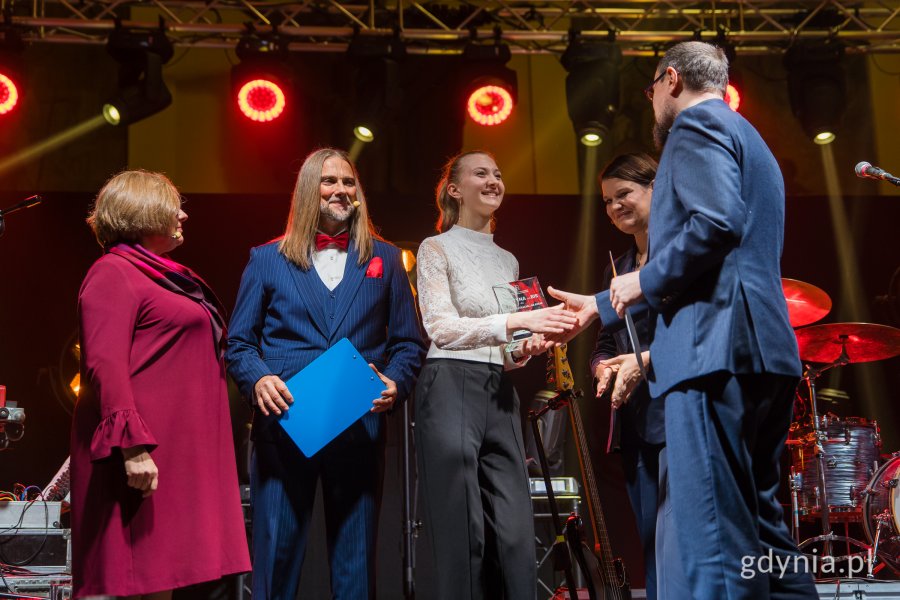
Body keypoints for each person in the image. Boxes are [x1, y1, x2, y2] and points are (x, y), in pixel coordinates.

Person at [548, 42, 817, 599]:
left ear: (670, 80)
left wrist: (640, 280)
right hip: (761, 351)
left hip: (711, 356)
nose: (652, 106)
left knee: (714, 539)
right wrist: (602, 304)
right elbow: (728, 258)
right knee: (766, 539)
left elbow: (716, 224)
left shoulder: (693, 129)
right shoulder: (752, 139)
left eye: (651, 92)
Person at [225, 148, 425, 600]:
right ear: (307, 190)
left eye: (349, 182)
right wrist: (257, 379)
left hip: (360, 429)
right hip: (284, 428)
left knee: (356, 570)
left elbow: (409, 342)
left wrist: (397, 380)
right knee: (274, 565)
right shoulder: (266, 259)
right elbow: (238, 343)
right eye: (329, 181)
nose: (341, 190)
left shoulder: (388, 260)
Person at [71, 170, 250, 599]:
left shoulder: (159, 273)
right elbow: (104, 365)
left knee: (162, 577)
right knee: (134, 575)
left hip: (179, 451)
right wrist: (132, 447)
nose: (184, 215)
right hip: (141, 453)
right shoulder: (112, 272)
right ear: (143, 212)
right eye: (174, 207)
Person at [414, 150, 576, 600]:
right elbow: (441, 329)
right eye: (481, 173)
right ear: (454, 189)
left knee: (515, 532)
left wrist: (528, 345)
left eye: (498, 174)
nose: (493, 180)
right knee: (462, 531)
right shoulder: (436, 248)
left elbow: (503, 351)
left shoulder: (508, 261)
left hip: (497, 389)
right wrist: (512, 326)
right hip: (448, 385)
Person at [590, 152, 664, 600]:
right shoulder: (615, 267)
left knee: (680, 541)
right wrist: (603, 368)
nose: (615, 206)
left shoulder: (678, 253)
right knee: (651, 540)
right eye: (607, 201)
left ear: (656, 188)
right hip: (636, 425)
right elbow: (604, 343)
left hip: (677, 413)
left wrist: (647, 359)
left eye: (625, 194)